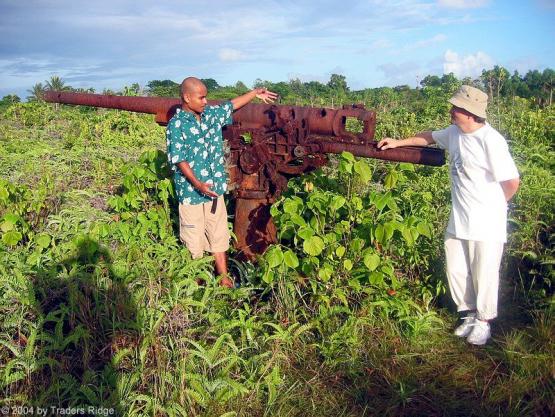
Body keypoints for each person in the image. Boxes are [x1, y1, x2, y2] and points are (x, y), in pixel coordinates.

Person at [377, 85, 520, 345]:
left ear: (470, 113)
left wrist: (495, 207)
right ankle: (468, 314)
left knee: (484, 271)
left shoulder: (491, 141)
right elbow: (428, 137)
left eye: (456, 108)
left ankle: (484, 321)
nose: (452, 111)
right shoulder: (455, 133)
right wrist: (398, 142)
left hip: (486, 222)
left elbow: (512, 182)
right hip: (459, 217)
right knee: (456, 268)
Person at [166, 77, 277, 288]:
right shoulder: (176, 125)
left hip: (214, 189)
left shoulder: (210, 116)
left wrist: (254, 93)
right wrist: (197, 184)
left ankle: (223, 278)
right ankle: (197, 283)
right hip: (192, 193)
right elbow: (178, 159)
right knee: (194, 239)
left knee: (218, 234)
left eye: (206, 96)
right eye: (201, 97)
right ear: (187, 97)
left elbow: (231, 105)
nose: (206, 101)